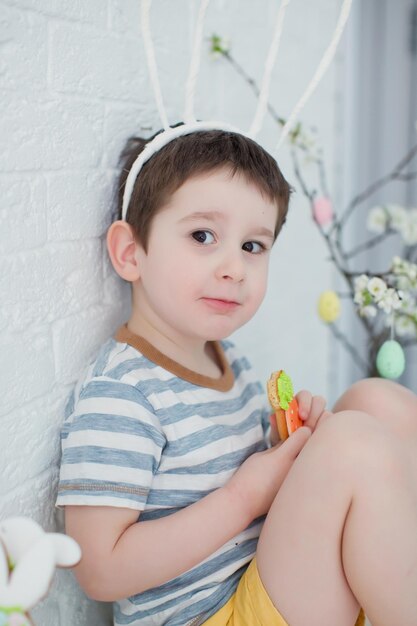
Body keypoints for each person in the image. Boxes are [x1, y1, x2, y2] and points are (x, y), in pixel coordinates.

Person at [56, 128, 417, 626]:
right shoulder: (122, 395)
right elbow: (99, 570)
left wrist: (283, 447)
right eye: (203, 236)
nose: (234, 268)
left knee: (377, 402)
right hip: (211, 617)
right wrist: (244, 497)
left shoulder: (228, 360)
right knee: (353, 442)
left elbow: (238, 476)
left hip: (263, 579)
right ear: (131, 252)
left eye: (253, 245)